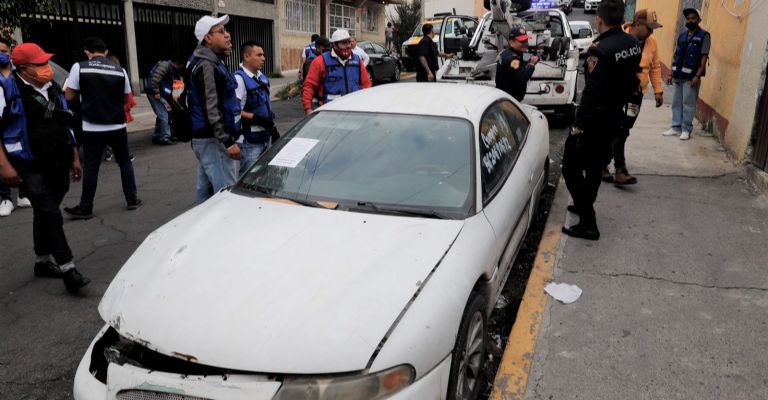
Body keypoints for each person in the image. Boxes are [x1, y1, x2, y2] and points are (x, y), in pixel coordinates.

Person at [0, 42, 90, 293]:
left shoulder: (54, 88)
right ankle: (68, 268)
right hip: (28, 163)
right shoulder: (6, 89)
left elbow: (66, 123)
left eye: (45, 62)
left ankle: (41, 261)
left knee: (45, 210)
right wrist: (5, 166)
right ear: (23, 68)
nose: (45, 68)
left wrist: (74, 156)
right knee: (50, 213)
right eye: (39, 64)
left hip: (58, 159)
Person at [561, 0, 641, 240]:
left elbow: (592, 93)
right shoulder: (633, 43)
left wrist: (577, 126)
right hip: (615, 117)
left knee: (570, 166)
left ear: (599, 19)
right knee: (596, 167)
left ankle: (588, 221)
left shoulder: (599, 49)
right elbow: (631, 83)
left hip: (594, 120)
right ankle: (583, 202)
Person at [63, 37, 141, 220]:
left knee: (91, 167)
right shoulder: (120, 70)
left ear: (87, 51)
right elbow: (125, 98)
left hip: (92, 126)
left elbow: (68, 96)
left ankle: (86, 207)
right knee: (124, 162)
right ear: (105, 52)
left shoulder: (79, 67)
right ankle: (132, 199)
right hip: (117, 125)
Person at [603, 9, 664, 186]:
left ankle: (605, 165)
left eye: (653, 29)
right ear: (637, 25)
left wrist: (658, 90)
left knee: (623, 130)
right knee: (616, 129)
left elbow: (655, 66)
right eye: (649, 28)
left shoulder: (651, 42)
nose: (651, 32)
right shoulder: (619, 38)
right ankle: (618, 169)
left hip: (636, 96)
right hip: (617, 94)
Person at [186, 14, 242, 204]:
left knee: (205, 191)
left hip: (206, 139)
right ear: (207, 38)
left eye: (226, 31)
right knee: (225, 195)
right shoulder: (207, 65)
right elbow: (212, 109)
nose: (227, 35)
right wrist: (227, 142)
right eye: (221, 31)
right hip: (213, 140)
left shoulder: (207, 60)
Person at [663, 7, 710, 141]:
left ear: (699, 20)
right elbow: (676, 54)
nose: (690, 20)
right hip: (678, 74)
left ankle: (686, 129)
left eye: (693, 18)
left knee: (688, 103)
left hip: (691, 77)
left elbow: (704, 58)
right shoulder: (682, 36)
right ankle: (676, 127)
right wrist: (671, 73)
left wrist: (697, 76)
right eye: (688, 18)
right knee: (676, 102)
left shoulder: (704, 36)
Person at [302, 29, 372, 115]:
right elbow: (309, 86)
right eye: (343, 43)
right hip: (329, 113)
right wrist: (308, 108)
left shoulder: (357, 61)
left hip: (354, 111)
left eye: (349, 42)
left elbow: (366, 85)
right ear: (334, 45)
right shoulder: (320, 62)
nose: (347, 46)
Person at [234, 40, 276, 176]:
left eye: (263, 55)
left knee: (265, 177)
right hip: (250, 142)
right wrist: (255, 118)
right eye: (259, 55)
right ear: (246, 56)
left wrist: (272, 127)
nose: (263, 58)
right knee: (248, 179)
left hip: (266, 137)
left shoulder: (262, 78)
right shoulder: (239, 80)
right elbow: (233, 111)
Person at [0, 37, 31, 216]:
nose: (2, 55)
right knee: (3, 161)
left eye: (4, 51)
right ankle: (5, 198)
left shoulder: (18, 73)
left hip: (19, 125)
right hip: (3, 125)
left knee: (21, 158)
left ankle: (23, 193)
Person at [495, 24, 539, 102]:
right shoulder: (513, 59)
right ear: (511, 42)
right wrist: (531, 64)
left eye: (526, 40)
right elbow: (521, 78)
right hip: (509, 100)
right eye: (522, 41)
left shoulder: (507, 52)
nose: (525, 43)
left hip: (505, 97)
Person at [147, 57, 185, 145]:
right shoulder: (165, 66)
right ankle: (165, 137)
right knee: (164, 114)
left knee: (162, 113)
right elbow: (155, 78)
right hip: (155, 93)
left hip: (158, 93)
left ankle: (157, 135)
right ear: (177, 64)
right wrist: (156, 92)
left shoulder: (169, 68)